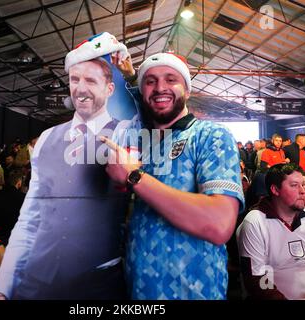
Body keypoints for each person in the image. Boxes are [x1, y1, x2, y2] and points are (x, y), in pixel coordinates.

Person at [0, 32, 132, 300]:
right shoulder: (46, 138)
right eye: (74, 79)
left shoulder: (125, 133)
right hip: (37, 282)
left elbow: (157, 119)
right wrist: (2, 288)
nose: (80, 88)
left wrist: (131, 76)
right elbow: (30, 218)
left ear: (109, 89)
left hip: (98, 283)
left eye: (91, 80)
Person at [103, 52, 244, 299]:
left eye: (171, 79)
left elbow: (219, 224)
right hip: (139, 292)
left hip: (194, 292)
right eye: (151, 81)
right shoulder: (144, 141)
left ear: (187, 90)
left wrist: (134, 176)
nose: (160, 88)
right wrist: (129, 75)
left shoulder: (210, 135)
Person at [236, 163, 305, 300]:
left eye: (303, 184)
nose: (303, 191)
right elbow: (257, 280)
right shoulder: (255, 222)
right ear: (275, 190)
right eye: (294, 185)